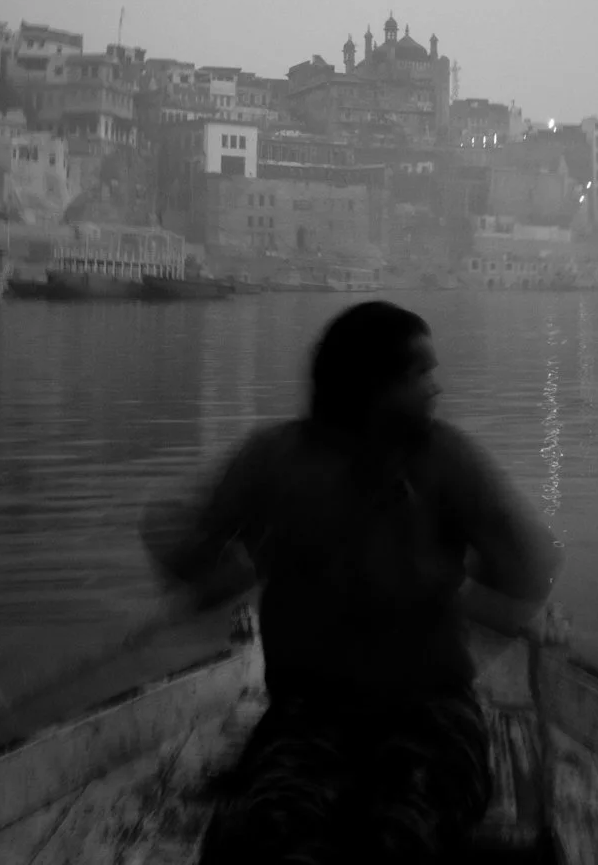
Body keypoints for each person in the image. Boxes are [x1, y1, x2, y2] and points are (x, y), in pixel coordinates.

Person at [140, 300, 565, 864]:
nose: (436, 387)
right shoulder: (276, 461)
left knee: (399, 837)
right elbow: (180, 548)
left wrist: (439, 580)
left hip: (431, 715)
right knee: (276, 836)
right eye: (421, 373)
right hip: (309, 716)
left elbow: (530, 568)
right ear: (372, 384)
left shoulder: (442, 460)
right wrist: (253, 557)